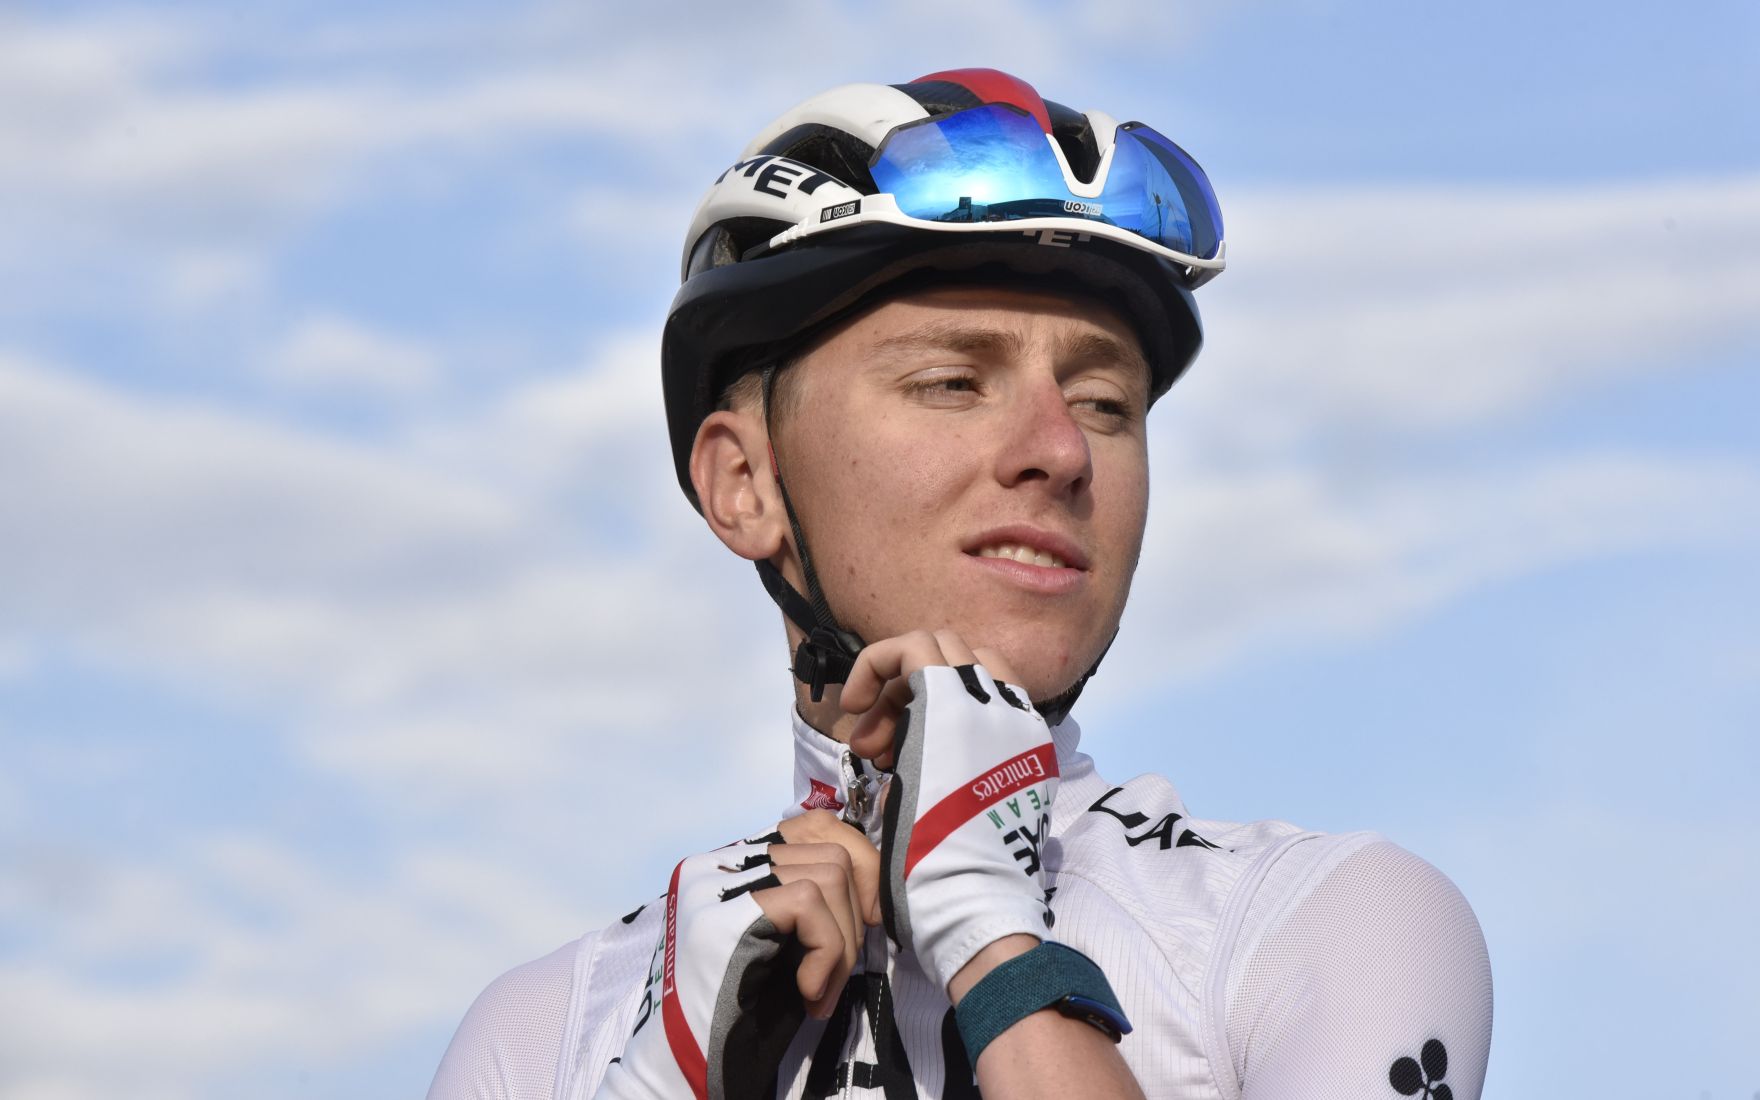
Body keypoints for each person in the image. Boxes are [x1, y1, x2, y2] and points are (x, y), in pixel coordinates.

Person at [428, 68, 1493, 1100]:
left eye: (1105, 403)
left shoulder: (1326, 923)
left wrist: (996, 944)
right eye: (952, 381)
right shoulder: (549, 1029)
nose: (1060, 451)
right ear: (744, 483)